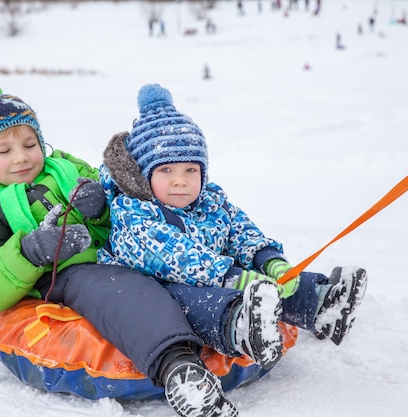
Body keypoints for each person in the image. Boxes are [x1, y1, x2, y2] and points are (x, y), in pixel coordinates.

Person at [0, 81, 280, 417]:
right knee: (127, 292)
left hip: (114, 253)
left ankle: (236, 323)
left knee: (172, 278)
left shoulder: (66, 169)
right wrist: (28, 252)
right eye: (4, 151)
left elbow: (113, 199)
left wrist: (100, 204)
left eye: (30, 144)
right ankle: (179, 369)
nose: (21, 158)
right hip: (64, 277)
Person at [98, 83, 368, 367]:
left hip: (219, 273)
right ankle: (242, 328)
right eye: (166, 170)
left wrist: (268, 260)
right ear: (144, 175)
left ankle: (322, 305)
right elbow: (172, 256)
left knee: (268, 282)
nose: (180, 180)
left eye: (191, 170)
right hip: (159, 286)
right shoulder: (132, 210)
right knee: (184, 297)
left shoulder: (210, 200)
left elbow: (239, 230)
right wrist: (231, 277)